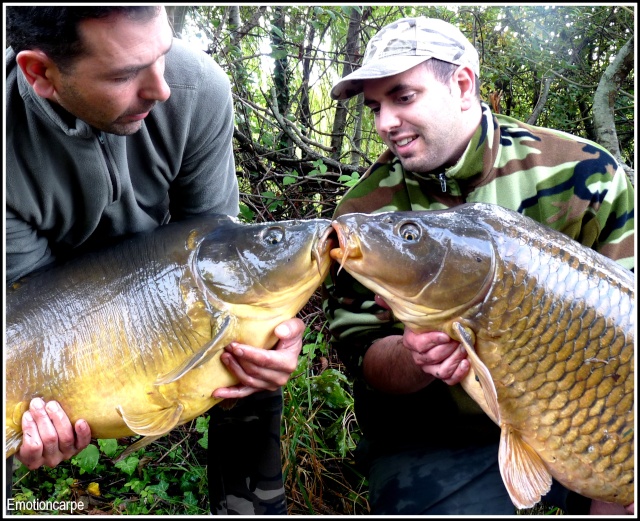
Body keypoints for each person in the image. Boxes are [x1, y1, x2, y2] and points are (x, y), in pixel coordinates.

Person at [323, 16, 635, 516]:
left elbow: (624, 350)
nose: (384, 124)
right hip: (443, 439)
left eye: (403, 97)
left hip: (598, 422)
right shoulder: (364, 214)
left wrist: (614, 489)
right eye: (376, 107)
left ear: (463, 85)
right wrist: (414, 356)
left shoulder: (587, 175)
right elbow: (365, 360)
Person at [6, 6, 301, 515]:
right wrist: (53, 400)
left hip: (162, 273)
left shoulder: (196, 89)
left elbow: (218, 242)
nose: (160, 89)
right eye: (124, 74)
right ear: (41, 73)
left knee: (247, 351)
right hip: (50, 299)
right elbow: (29, 303)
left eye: (161, 53)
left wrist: (273, 329)